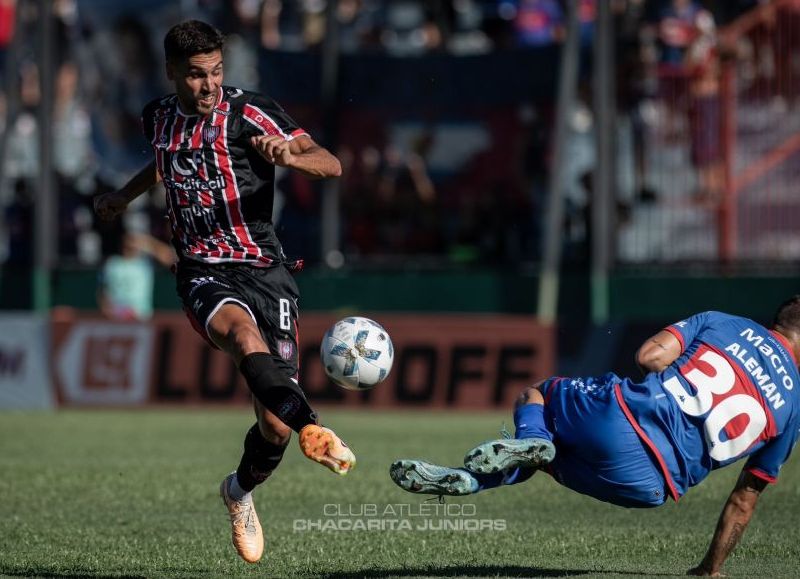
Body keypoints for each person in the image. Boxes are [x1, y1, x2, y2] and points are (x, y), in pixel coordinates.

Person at [93, 20, 352, 564]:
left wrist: (291, 158)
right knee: (241, 337)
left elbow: (331, 162)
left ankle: (238, 491)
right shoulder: (158, 117)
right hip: (202, 271)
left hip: (266, 269)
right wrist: (125, 195)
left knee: (273, 426)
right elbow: (165, 163)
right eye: (196, 75)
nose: (209, 86)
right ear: (171, 74)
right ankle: (317, 428)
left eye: (216, 73)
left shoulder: (252, 111)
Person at [391, 297, 800, 576]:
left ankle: (531, 438)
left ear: (775, 319)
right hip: (648, 486)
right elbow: (745, 499)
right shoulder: (794, 406)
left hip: (618, 417)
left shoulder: (724, 322)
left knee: (538, 394)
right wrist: (710, 569)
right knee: (545, 458)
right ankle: (475, 477)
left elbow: (649, 357)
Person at [97, 231, 176, 321]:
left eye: (133, 242)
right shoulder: (112, 263)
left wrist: (147, 242)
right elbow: (102, 290)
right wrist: (106, 309)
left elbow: (169, 258)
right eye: (128, 242)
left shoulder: (145, 262)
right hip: (116, 315)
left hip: (140, 315)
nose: (130, 245)